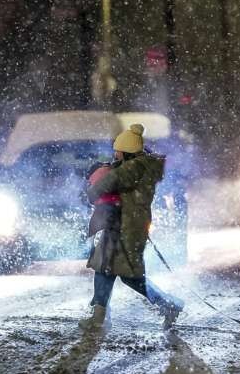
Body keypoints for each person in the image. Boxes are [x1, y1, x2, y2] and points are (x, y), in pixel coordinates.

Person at [79, 123, 184, 331]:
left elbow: (113, 179)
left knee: (128, 276)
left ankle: (168, 305)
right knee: (105, 268)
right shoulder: (138, 166)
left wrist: (92, 192)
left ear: (126, 151)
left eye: (117, 150)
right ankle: (99, 314)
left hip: (126, 229)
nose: (115, 154)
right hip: (123, 226)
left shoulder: (134, 168)